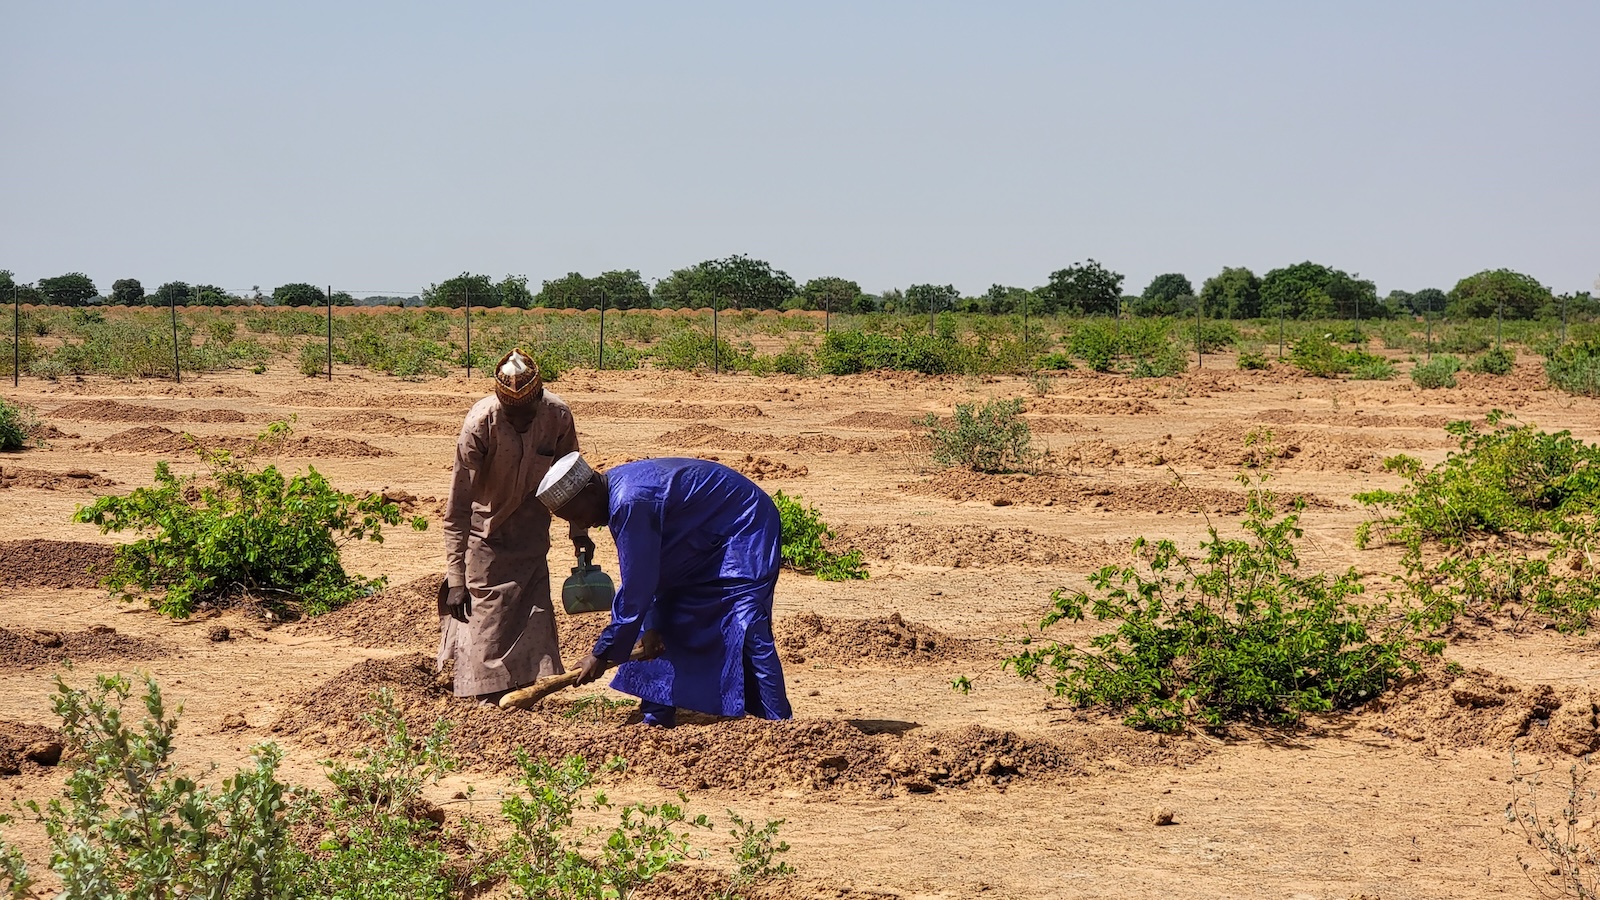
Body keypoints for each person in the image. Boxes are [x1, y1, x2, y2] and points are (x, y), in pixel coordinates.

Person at [535, 452, 791, 728]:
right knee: (662, 618)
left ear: (590, 489)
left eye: (577, 514)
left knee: (745, 620)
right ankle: (656, 716)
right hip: (700, 538)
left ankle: (779, 725)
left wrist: (601, 653)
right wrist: (653, 623)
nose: (582, 524)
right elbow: (648, 574)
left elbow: (637, 589)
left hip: (744, 526)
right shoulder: (617, 497)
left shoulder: (630, 501)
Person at [439, 349, 595, 702]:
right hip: (486, 538)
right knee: (487, 626)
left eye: (526, 415)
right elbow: (457, 506)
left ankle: (524, 700)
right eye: (512, 415)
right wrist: (457, 579)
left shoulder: (557, 415)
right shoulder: (480, 424)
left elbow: (573, 483)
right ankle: (485, 705)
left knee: (534, 620)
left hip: (532, 537)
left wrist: (579, 532)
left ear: (539, 397)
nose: (520, 423)